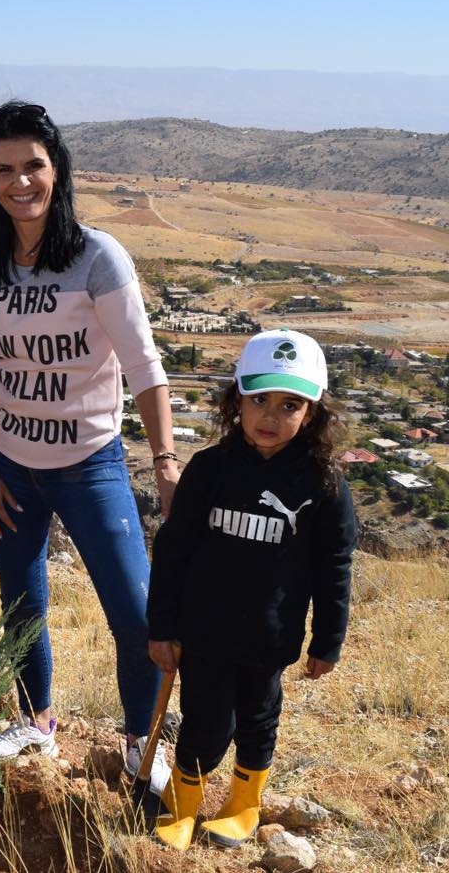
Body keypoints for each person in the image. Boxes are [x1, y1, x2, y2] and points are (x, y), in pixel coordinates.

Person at [0, 102, 178, 793]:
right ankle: (35, 720)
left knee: (136, 612)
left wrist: (165, 459)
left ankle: (142, 743)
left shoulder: (96, 256)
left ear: (57, 171)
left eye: (33, 166)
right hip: (12, 464)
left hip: (90, 463)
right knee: (21, 601)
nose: (20, 181)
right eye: (4, 169)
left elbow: (143, 365)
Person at [146, 328, 357, 851]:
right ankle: (181, 806)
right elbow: (173, 551)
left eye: (289, 404)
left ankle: (244, 805)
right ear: (235, 399)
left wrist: (328, 640)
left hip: (270, 637)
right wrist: (163, 626)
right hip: (205, 633)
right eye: (257, 399)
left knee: (259, 720)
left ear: (311, 413)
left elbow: (335, 565)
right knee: (203, 722)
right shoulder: (210, 470)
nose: (269, 416)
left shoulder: (323, 484)